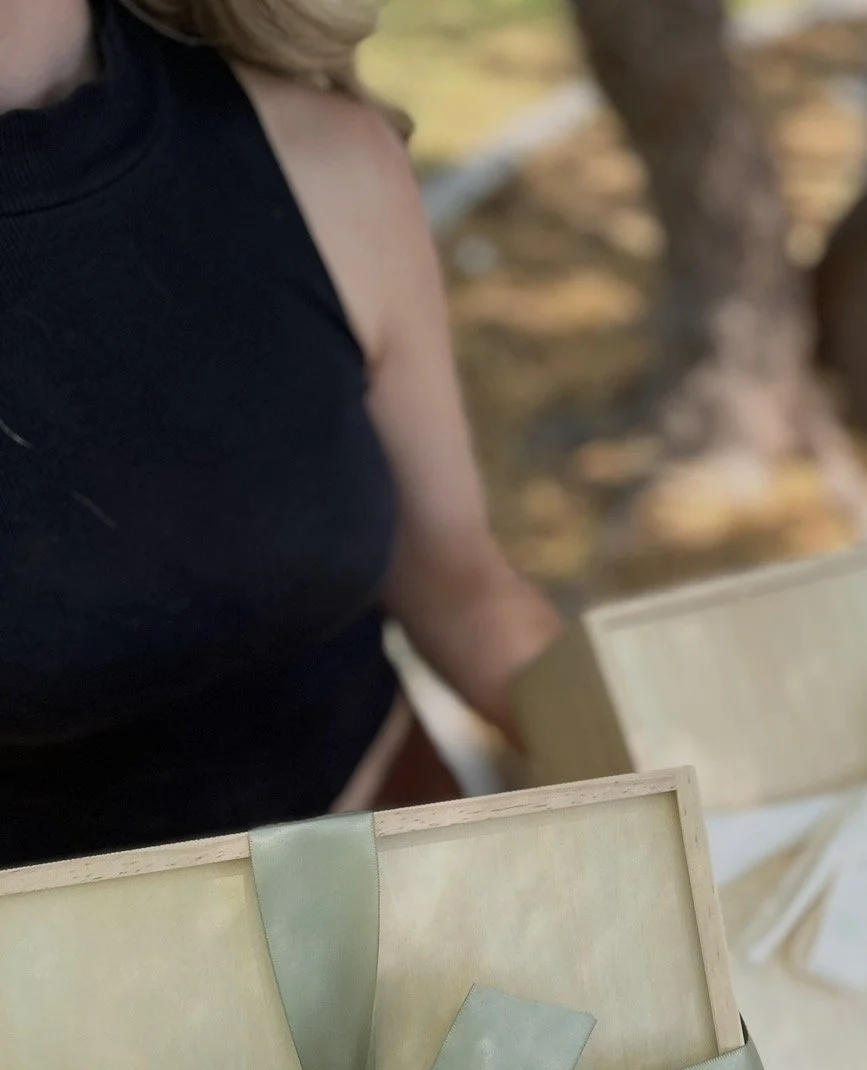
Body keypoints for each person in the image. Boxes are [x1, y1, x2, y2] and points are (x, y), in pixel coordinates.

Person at [0, 0, 563, 869]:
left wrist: (708, 789)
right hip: (48, 991)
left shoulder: (324, 161)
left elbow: (464, 591)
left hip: (416, 890)